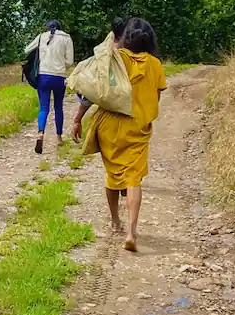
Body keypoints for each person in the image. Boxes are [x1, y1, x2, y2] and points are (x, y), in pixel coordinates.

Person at [71, 17, 166, 253]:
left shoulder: (115, 58)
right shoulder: (155, 64)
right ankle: (132, 231)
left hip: (109, 124)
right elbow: (156, 97)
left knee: (113, 174)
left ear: (124, 37)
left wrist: (77, 119)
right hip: (137, 126)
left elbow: (93, 92)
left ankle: (115, 221)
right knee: (133, 177)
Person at [25, 19, 74, 154]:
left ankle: (40, 133)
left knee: (43, 108)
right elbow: (69, 61)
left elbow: (27, 50)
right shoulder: (66, 38)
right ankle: (59, 138)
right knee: (58, 107)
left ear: (48, 27)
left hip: (43, 76)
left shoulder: (41, 37)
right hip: (59, 77)